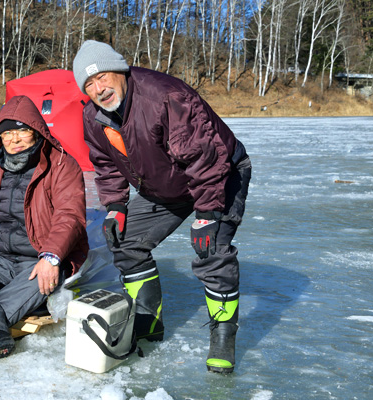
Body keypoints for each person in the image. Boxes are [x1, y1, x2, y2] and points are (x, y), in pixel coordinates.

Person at [72, 40, 252, 374]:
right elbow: (107, 165)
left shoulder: (164, 97)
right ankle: (148, 322)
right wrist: (116, 206)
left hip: (221, 173)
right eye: (89, 84)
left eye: (103, 77)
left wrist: (208, 213)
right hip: (166, 185)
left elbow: (203, 156)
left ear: (121, 70)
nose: (99, 88)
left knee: (212, 250)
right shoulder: (93, 117)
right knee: (125, 241)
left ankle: (223, 337)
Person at [0, 95, 89, 362]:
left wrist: (51, 257)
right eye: (7, 132)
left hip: (39, 258)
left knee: (37, 283)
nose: (14, 139)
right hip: (1, 258)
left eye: (22, 130)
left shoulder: (61, 165)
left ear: (36, 131)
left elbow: (70, 216)